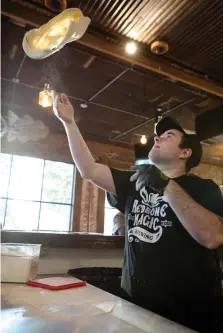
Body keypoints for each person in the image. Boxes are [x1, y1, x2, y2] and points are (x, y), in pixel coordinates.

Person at [51, 91, 223, 332]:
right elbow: (88, 169)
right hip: (136, 306)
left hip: (189, 312)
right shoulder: (136, 180)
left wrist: (165, 183)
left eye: (169, 136)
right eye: (158, 135)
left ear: (185, 153)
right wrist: (68, 121)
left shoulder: (204, 188)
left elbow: (213, 236)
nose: (157, 139)